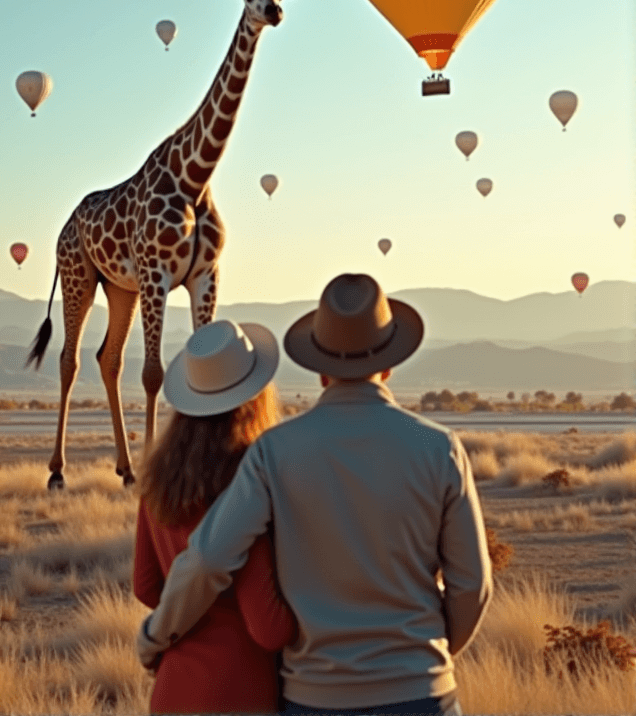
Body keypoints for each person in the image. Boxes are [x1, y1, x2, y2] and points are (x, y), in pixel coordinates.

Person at [137, 274, 493, 716]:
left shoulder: (273, 452)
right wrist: (421, 657)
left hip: (315, 696)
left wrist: (156, 636)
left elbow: (208, 559)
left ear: (319, 367)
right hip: (422, 692)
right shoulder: (441, 448)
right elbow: (473, 583)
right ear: (390, 364)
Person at [133, 317, 297, 714]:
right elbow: (268, 628)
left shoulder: (159, 477)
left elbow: (146, 586)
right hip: (239, 688)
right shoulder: (249, 485)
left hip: (174, 685)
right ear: (256, 397)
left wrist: (181, 616)